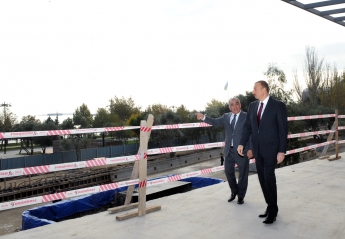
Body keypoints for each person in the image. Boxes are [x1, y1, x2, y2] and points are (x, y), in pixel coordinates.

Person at [237, 80, 288, 224]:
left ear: (264, 89)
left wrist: (281, 151)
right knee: (262, 179)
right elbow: (248, 127)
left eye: (255, 89)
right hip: (258, 149)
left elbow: (282, 130)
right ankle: (269, 205)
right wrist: (243, 143)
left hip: (272, 149)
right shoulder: (253, 106)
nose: (253, 91)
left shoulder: (278, 105)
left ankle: (273, 211)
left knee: (269, 177)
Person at [196, 97, 252, 205]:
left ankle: (241, 196)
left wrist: (250, 149)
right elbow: (215, 122)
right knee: (228, 172)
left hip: (242, 150)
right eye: (232, 104)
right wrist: (204, 117)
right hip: (228, 151)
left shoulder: (247, 116)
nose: (235, 106)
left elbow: (251, 134)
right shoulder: (226, 117)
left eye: (237, 104)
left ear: (240, 105)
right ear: (229, 107)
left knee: (243, 174)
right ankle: (234, 191)